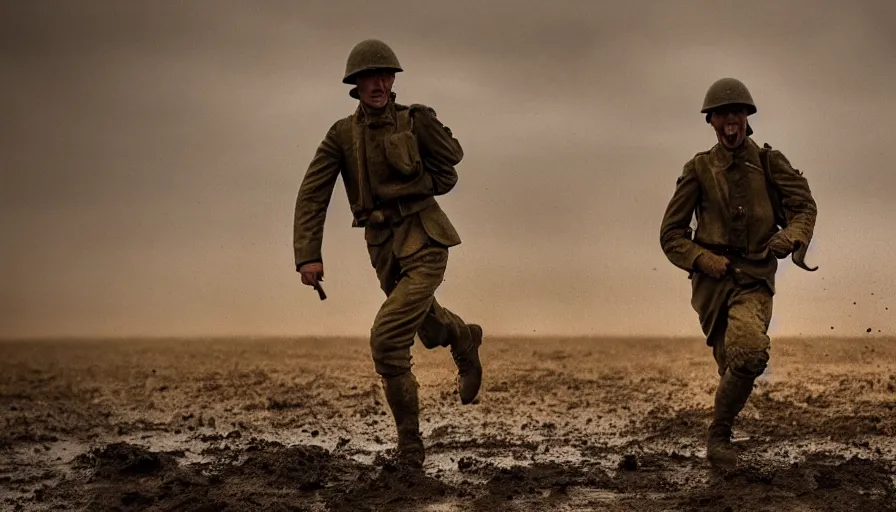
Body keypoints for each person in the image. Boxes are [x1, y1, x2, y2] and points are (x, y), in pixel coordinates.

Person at [292, 39, 483, 470]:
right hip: (381, 246)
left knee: (388, 338)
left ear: (393, 80)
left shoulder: (413, 121)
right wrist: (308, 255)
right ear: (355, 84)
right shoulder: (342, 135)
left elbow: (451, 163)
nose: (378, 83)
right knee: (429, 328)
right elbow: (312, 194)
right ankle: (463, 337)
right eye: (368, 76)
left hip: (426, 238)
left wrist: (423, 148)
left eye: (385, 75)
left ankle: (410, 450)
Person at [659, 77, 818, 466]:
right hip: (712, 285)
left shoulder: (768, 162)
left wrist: (790, 238)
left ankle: (719, 436)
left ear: (747, 118)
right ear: (711, 121)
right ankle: (724, 431)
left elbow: (804, 207)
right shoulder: (698, 169)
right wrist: (703, 259)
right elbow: (671, 235)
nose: (730, 120)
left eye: (737, 112)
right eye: (722, 114)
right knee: (730, 363)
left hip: (755, 277)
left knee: (748, 351)